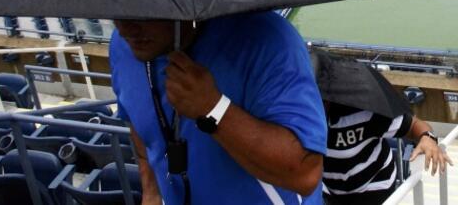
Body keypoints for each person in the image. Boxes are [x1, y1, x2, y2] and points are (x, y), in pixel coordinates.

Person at [111, 12, 327, 204]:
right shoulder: (124, 46)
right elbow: (138, 125)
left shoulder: (267, 39)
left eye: (143, 13)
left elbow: (305, 174)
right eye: (115, 9)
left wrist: (213, 108)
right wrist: (151, 192)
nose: (125, 29)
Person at [322, 102, 450, 204]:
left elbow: (413, 125)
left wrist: (428, 137)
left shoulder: (368, 110)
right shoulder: (305, 118)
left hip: (374, 187)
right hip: (328, 189)